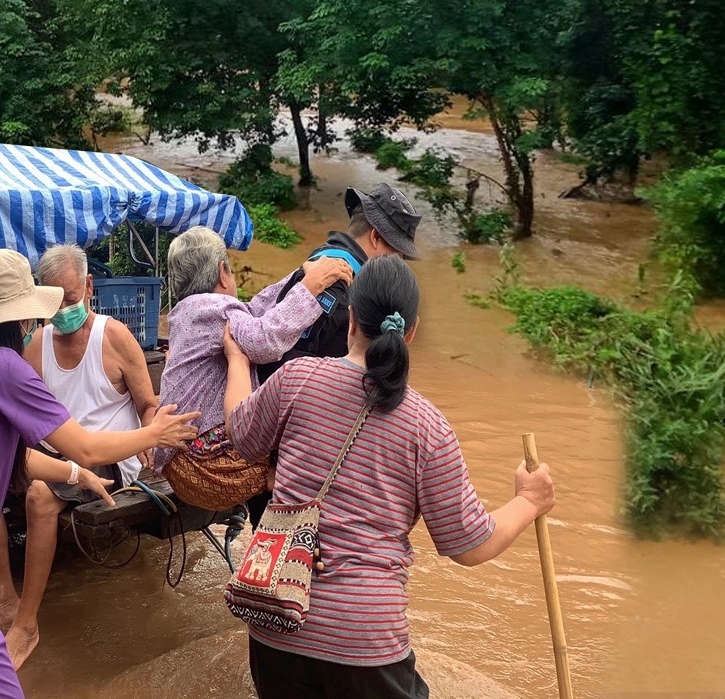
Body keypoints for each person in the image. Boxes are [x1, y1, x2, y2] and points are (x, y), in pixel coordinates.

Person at [222, 255, 556, 699]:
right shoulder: (428, 427)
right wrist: (529, 501)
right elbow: (471, 546)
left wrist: (237, 360)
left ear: (351, 319)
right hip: (365, 640)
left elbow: (241, 434)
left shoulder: (295, 379)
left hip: (275, 623)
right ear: (411, 331)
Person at [0, 249, 199, 699]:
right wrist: (154, 434)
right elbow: (84, 445)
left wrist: (75, 474)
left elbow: (14, 457)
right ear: (23, 317)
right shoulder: (4, 366)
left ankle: (11, 607)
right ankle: (18, 616)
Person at [0, 244, 160, 669]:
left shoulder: (114, 336)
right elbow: (22, 415)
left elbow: (146, 402)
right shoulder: (36, 344)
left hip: (110, 458)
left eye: (71, 297)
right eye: (54, 299)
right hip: (62, 453)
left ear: (88, 286)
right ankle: (4, 597)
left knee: (40, 495)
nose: (64, 308)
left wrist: (151, 435)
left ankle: (27, 624)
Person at [247, 183, 423, 527]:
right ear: (375, 237)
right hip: (295, 468)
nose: (397, 265)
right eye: (397, 254)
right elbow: (289, 367)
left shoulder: (322, 266)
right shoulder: (338, 283)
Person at [151, 227, 353, 477]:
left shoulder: (189, 311)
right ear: (223, 274)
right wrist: (311, 286)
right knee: (295, 379)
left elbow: (254, 309)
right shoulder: (211, 308)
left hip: (182, 454)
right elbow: (264, 341)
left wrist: (301, 275)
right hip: (202, 458)